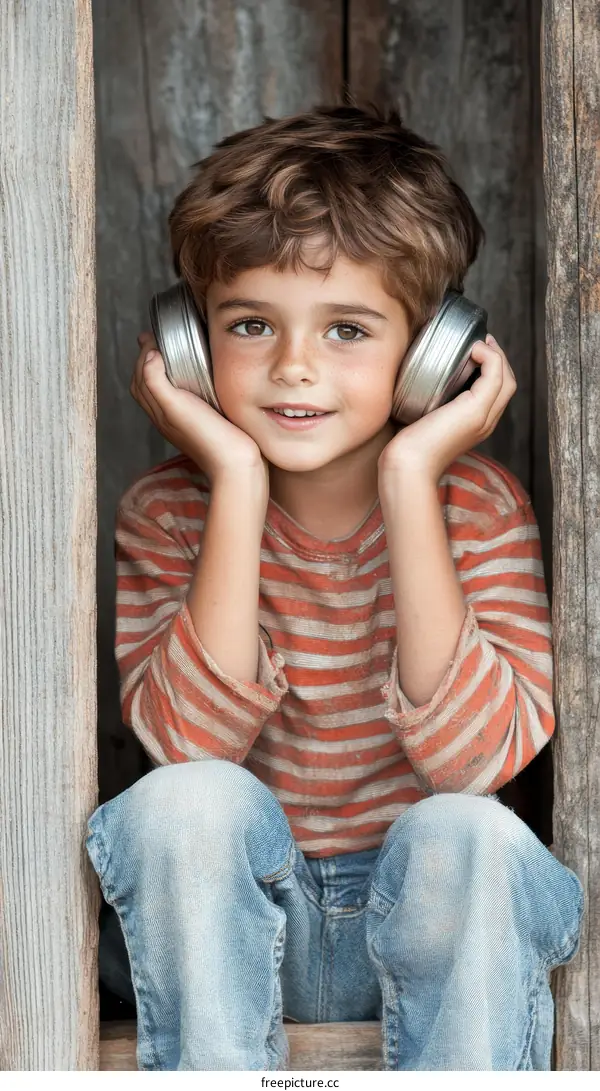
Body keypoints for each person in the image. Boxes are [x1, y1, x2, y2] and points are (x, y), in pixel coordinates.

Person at [86, 102, 583, 1072]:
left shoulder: (476, 505)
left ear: (431, 352)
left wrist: (411, 481)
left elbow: (475, 761)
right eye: (249, 324)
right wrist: (233, 476)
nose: (293, 366)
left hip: (428, 932)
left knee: (469, 829)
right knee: (179, 802)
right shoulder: (170, 509)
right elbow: (191, 750)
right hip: (231, 935)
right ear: (188, 343)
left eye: (347, 327)